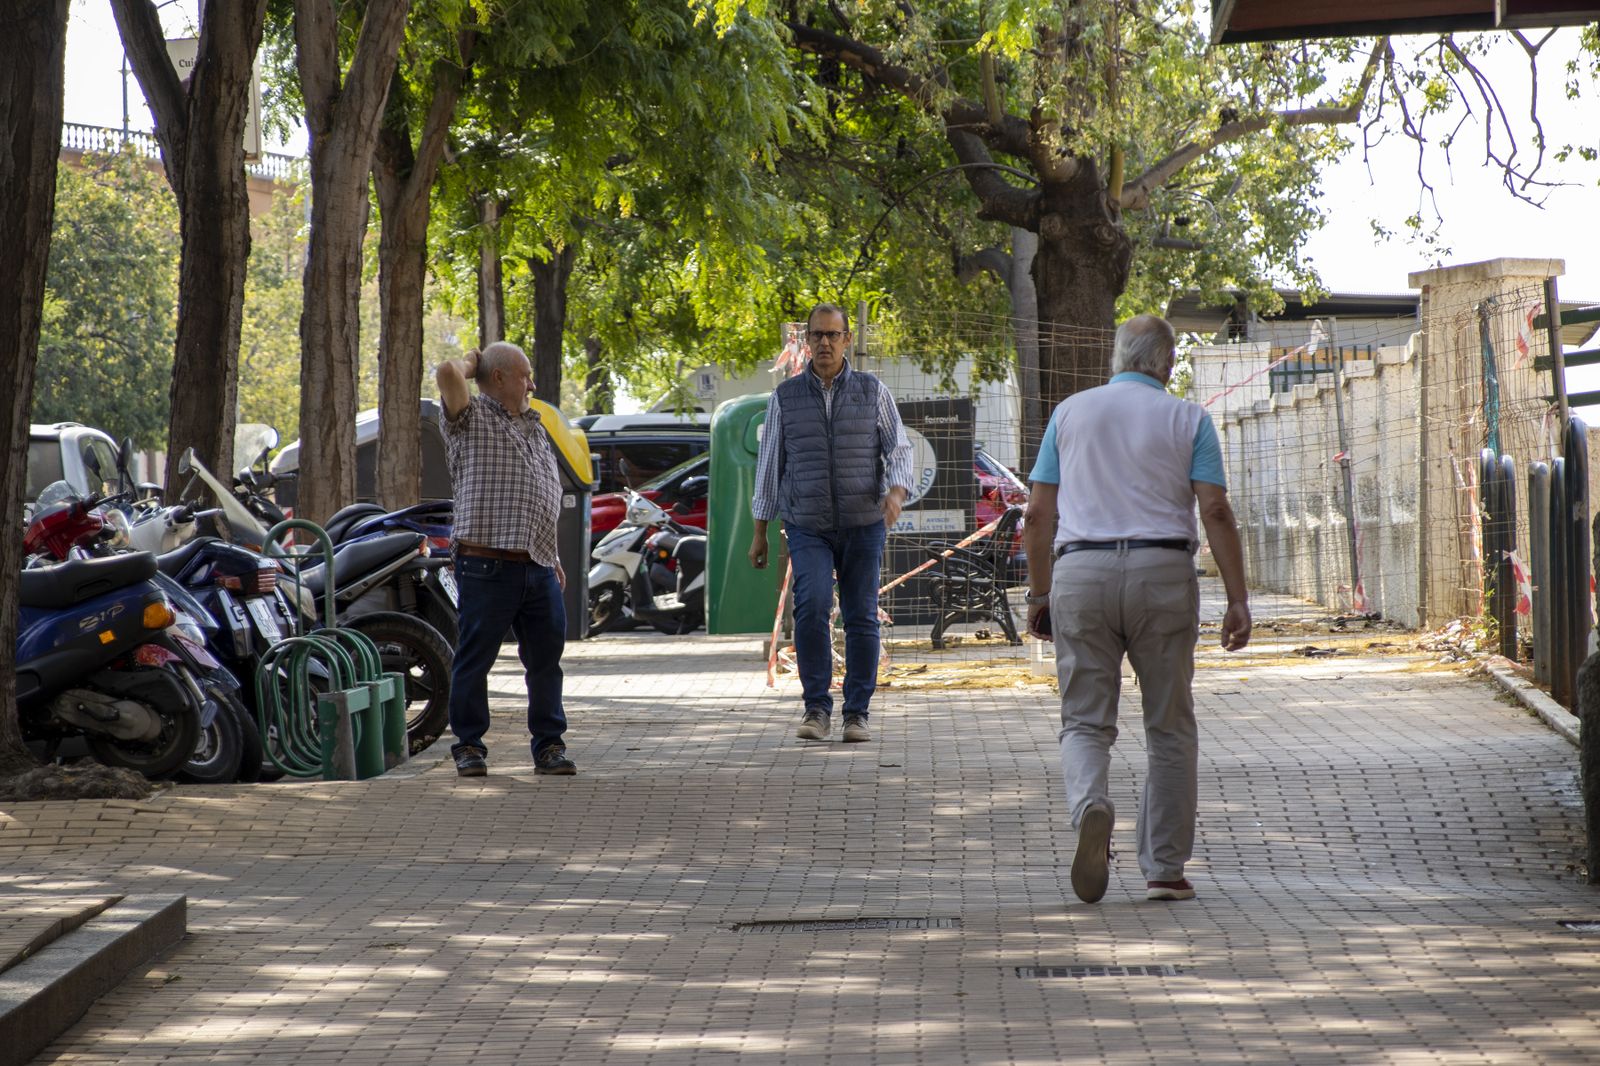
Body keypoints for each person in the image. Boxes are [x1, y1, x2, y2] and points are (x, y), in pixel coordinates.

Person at [1021, 314, 1251, 905]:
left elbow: (1038, 515)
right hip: (1162, 573)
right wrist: (1237, 598)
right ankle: (1165, 870)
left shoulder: (1069, 413)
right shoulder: (1189, 418)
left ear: (1117, 356)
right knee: (1170, 725)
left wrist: (1040, 595)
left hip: (1082, 573)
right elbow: (1215, 511)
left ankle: (1090, 808)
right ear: (1168, 364)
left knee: (1083, 721)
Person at [749, 303, 914, 743]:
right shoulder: (785, 398)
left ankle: (856, 713)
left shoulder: (872, 391)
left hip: (863, 522)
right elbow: (769, 465)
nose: (825, 343)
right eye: (817, 335)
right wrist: (760, 531)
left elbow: (899, 447)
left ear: (847, 340)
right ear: (807, 341)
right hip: (807, 523)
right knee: (812, 606)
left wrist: (897, 492)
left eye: (833, 335)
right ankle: (817, 708)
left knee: (861, 616)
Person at [435, 341, 575, 778]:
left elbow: (539, 494)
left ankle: (549, 747)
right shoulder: (470, 417)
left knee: (546, 662)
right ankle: (469, 746)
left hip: (538, 563)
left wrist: (551, 554)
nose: (532, 384)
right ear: (498, 378)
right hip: (486, 565)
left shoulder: (535, 426)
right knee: (475, 659)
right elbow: (445, 372)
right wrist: (473, 362)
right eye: (525, 375)